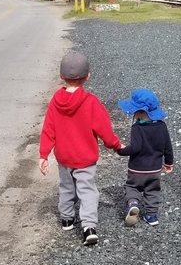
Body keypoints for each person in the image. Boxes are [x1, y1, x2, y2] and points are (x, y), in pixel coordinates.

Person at [39, 51, 122, 245]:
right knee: (87, 191)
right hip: (85, 158)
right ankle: (88, 226)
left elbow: (48, 129)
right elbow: (104, 130)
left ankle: (67, 219)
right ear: (88, 77)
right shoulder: (91, 102)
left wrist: (43, 154)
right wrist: (115, 145)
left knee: (67, 187)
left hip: (64, 156)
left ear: (61, 77)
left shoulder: (56, 102)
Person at [117, 89, 174, 227]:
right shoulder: (162, 126)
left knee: (132, 187)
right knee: (152, 191)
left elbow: (135, 148)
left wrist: (120, 150)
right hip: (154, 169)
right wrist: (168, 163)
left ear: (140, 112)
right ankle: (151, 216)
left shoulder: (137, 128)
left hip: (137, 168)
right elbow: (168, 147)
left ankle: (133, 204)